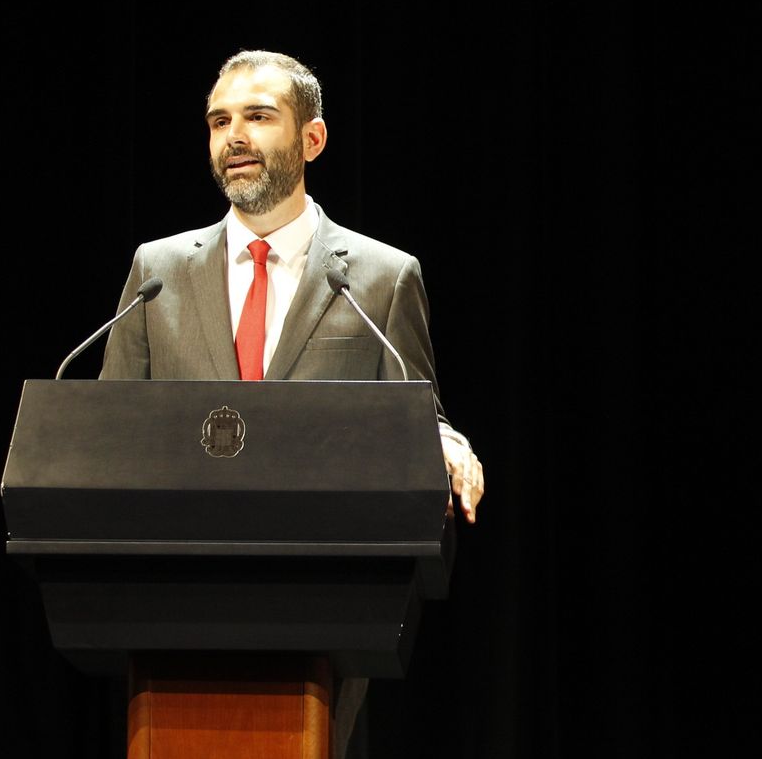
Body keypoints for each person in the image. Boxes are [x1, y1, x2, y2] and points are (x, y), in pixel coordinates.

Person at [100, 49, 484, 519]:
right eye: (219, 122)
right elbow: (109, 423)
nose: (234, 137)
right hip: (183, 557)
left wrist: (445, 442)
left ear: (312, 139)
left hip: (328, 557)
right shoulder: (157, 272)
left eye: (258, 116)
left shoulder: (384, 277)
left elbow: (421, 420)